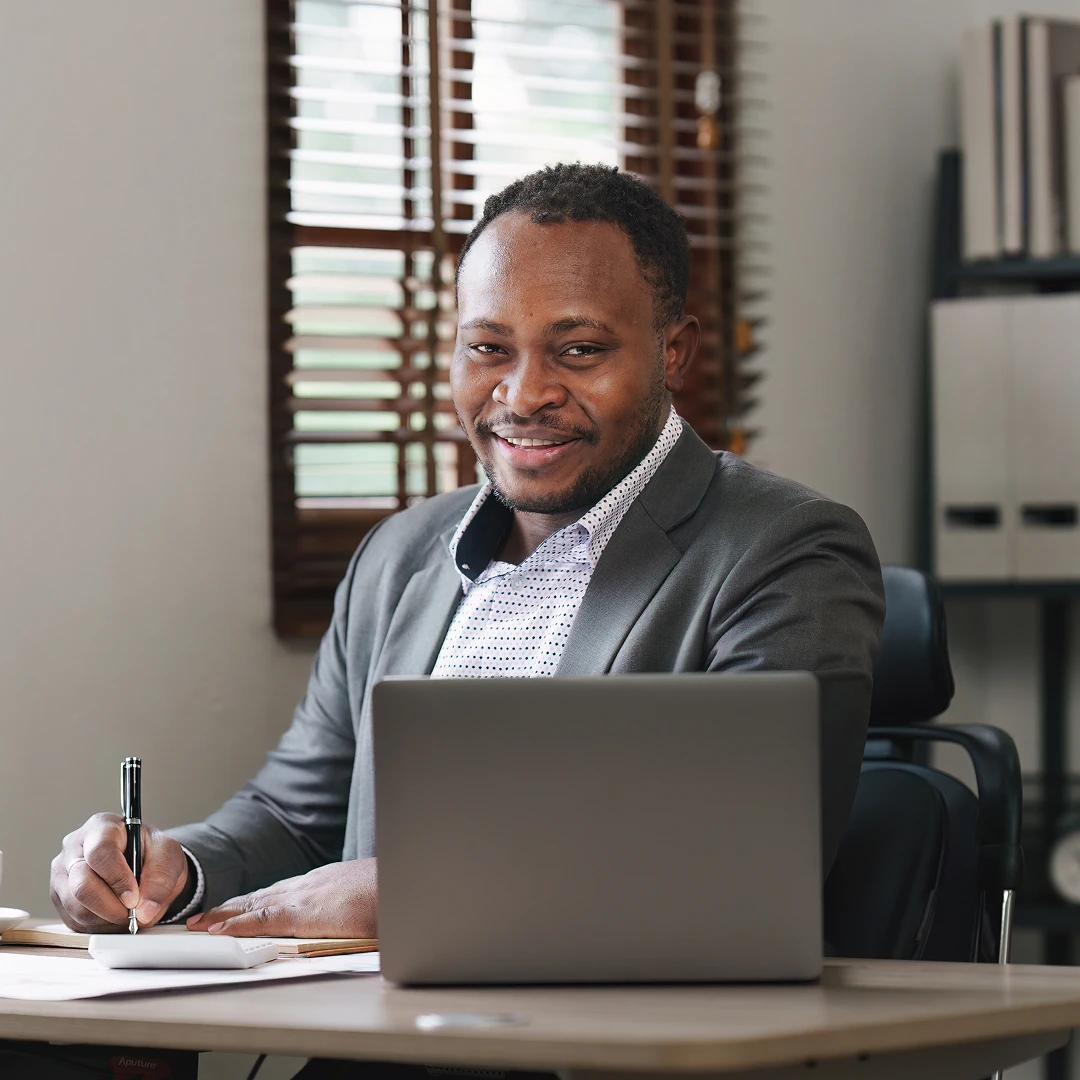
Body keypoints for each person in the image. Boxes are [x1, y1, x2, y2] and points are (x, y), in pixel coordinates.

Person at [51, 163, 885, 940]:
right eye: (488, 348)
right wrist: (168, 871)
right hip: (372, 1043)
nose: (524, 395)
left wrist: (403, 890)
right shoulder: (401, 553)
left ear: (674, 351)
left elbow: (738, 853)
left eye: (580, 350)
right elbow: (296, 814)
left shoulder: (785, 551)